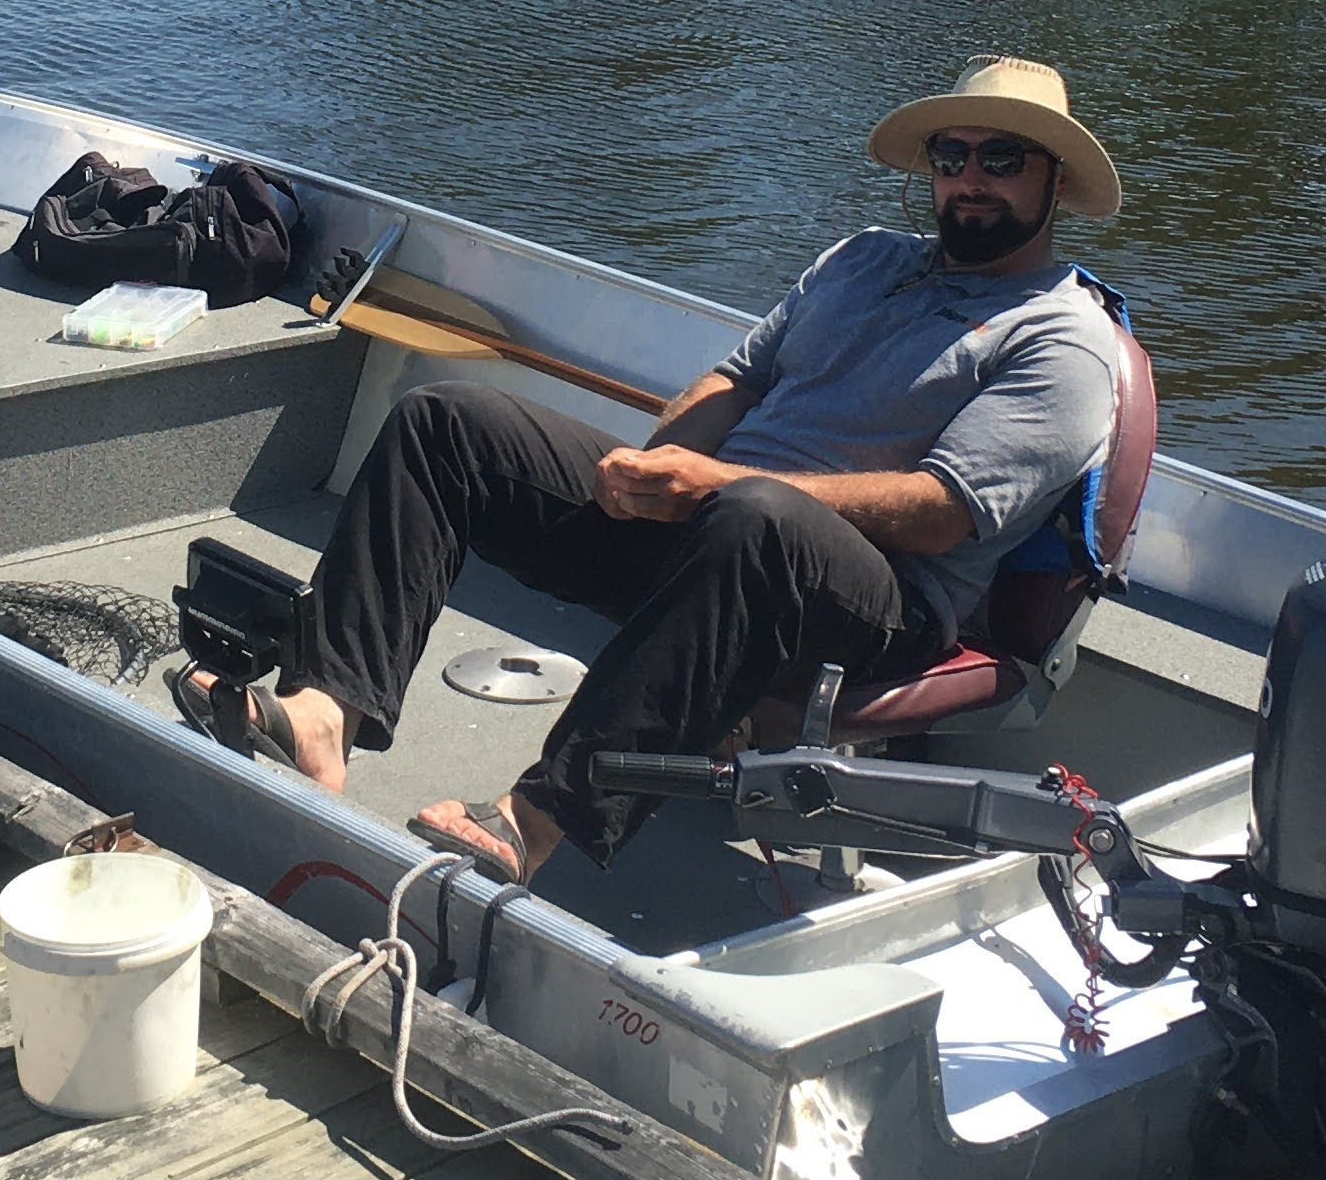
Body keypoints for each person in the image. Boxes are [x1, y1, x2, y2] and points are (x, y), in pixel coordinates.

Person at [184, 58, 1136, 882]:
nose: (971, 180)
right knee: (448, 424)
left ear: (1056, 184)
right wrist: (650, 463)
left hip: (886, 600)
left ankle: (537, 821)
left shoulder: (1062, 339)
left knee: (755, 519)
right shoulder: (862, 261)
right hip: (725, 527)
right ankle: (325, 708)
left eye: (1002, 161)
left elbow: (941, 514)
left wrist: (718, 487)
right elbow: (739, 376)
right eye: (952, 156)